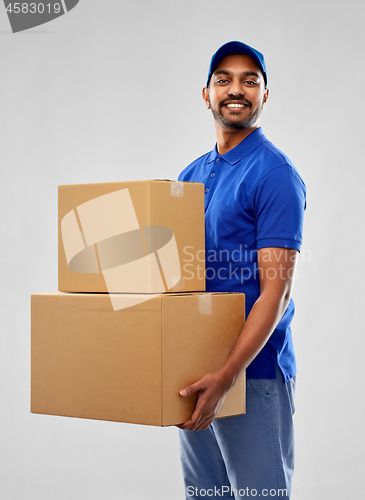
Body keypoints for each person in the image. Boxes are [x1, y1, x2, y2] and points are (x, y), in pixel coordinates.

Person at [177, 41, 306, 500]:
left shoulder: (274, 175)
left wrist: (227, 376)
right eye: (224, 79)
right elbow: (177, 283)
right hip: (193, 376)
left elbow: (277, 293)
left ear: (265, 95)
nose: (237, 89)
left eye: (250, 81)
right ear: (206, 94)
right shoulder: (190, 176)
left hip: (252, 377)